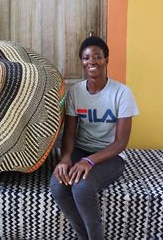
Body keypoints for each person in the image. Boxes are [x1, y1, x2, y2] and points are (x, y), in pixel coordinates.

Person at [50, 36, 139, 240]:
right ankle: (84, 236)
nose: (92, 61)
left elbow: (121, 143)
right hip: (81, 150)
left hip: (111, 156)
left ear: (106, 60)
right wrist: (65, 159)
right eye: (86, 57)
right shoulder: (76, 92)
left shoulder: (122, 93)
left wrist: (89, 161)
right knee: (58, 185)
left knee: (82, 188)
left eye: (98, 56)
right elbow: (70, 133)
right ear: (81, 61)